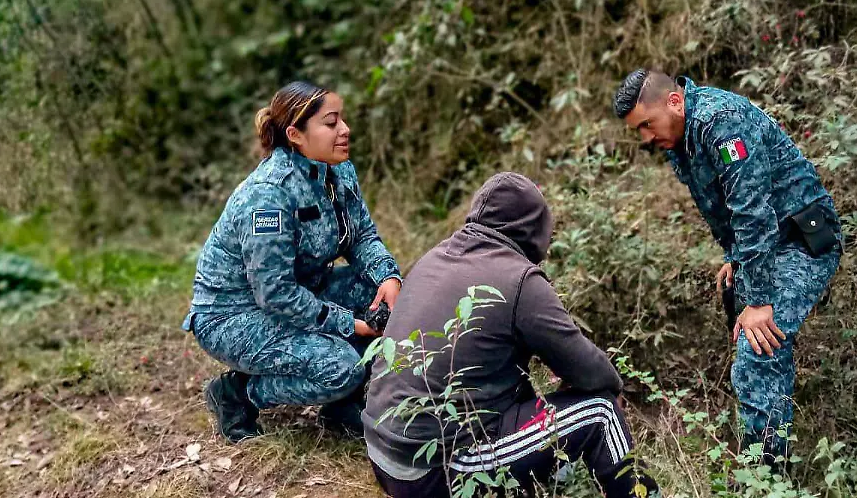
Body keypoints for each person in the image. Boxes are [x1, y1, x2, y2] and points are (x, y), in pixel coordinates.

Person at [363, 172, 659, 498]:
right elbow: (587, 368)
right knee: (601, 413)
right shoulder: (520, 280)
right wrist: (613, 386)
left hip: (383, 453)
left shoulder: (434, 257)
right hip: (437, 471)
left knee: (517, 386)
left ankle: (556, 482)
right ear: (535, 227)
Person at [613, 69, 842, 465]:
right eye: (639, 131)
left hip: (803, 239)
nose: (646, 138)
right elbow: (723, 203)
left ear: (674, 101)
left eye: (647, 125)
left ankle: (765, 475)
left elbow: (753, 211)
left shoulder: (721, 122)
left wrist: (759, 300)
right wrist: (736, 258)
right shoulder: (681, 136)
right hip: (770, 242)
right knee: (749, 327)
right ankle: (770, 442)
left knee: (756, 346)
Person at [182, 81, 402, 443]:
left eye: (342, 120)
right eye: (331, 123)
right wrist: (348, 325)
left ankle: (343, 406)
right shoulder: (268, 195)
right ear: (295, 135)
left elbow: (361, 236)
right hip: (234, 315)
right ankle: (238, 394)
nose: (345, 130)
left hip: (303, 292)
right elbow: (275, 293)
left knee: (387, 299)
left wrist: (388, 279)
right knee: (341, 367)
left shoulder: (339, 171)